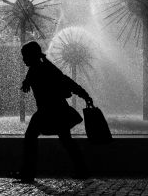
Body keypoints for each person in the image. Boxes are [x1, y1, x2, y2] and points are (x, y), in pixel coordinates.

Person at [12, 41, 93, 183]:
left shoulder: (45, 68)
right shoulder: (37, 68)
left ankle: (28, 173)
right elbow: (33, 76)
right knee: (66, 140)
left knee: (31, 136)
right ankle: (82, 169)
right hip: (56, 111)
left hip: (51, 110)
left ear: (32, 55)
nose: (23, 59)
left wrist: (84, 94)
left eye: (25, 56)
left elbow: (66, 81)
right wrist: (26, 82)